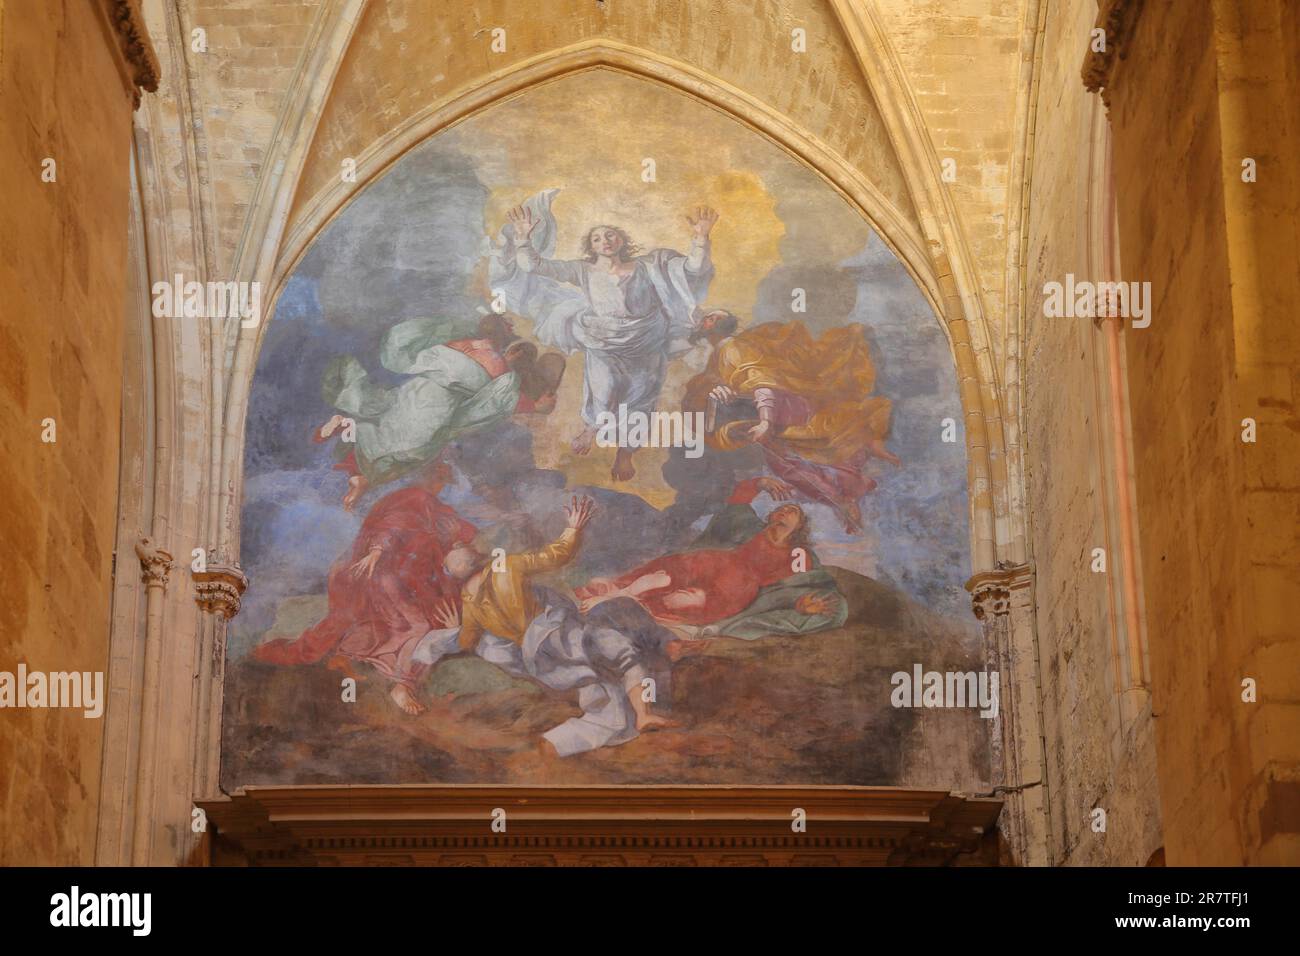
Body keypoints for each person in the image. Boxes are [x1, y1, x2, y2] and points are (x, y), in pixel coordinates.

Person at [420, 495, 678, 756]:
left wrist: (455, 627)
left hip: (537, 659)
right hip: (560, 634)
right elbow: (556, 555)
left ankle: (561, 741)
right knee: (625, 653)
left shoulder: (470, 602)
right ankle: (643, 714)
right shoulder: (505, 567)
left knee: (598, 683)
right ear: (470, 559)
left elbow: (466, 641)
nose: (464, 544)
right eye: (461, 548)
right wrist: (574, 528)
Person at [489, 188, 716, 481]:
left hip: (646, 341)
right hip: (603, 340)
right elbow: (534, 266)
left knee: (641, 398)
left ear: (621, 240)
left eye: (610, 235)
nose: (604, 241)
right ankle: (593, 428)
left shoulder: (649, 266)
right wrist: (523, 237)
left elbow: (692, 269)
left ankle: (625, 454)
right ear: (591, 246)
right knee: (604, 387)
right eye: (597, 238)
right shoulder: (583, 270)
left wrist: (701, 237)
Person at [250, 462, 477, 716]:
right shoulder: (416, 498)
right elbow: (394, 524)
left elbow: (459, 533)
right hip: (384, 575)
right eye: (442, 480)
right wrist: (377, 551)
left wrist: (462, 545)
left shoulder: (436, 512)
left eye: (445, 481)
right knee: (420, 625)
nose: (443, 486)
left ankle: (391, 674)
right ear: (432, 478)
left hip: (412, 579)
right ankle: (402, 684)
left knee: (436, 622)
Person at [313, 313, 563, 510]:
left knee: (391, 422)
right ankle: (358, 454)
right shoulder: (499, 368)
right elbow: (496, 402)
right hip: (436, 407)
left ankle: (360, 467)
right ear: (512, 350)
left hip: (418, 389)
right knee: (414, 447)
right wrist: (537, 407)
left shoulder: (461, 341)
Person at [685, 316, 900, 532]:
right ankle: (853, 476)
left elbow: (760, 382)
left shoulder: (730, 348)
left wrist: (766, 423)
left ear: (714, 326)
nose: (704, 321)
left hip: (780, 408)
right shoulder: (725, 351)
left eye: (710, 318)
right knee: (813, 448)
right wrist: (725, 394)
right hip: (779, 408)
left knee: (787, 462)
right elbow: (736, 387)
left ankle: (843, 497)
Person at [575, 478, 825, 630]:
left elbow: (801, 583)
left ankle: (623, 605)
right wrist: (760, 483)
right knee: (663, 576)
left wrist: (799, 604)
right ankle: (617, 595)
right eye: (781, 508)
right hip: (715, 562)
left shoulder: (797, 554)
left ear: (800, 526)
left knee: (682, 601)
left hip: (736, 586)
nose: (783, 511)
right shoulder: (750, 526)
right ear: (770, 515)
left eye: (792, 511)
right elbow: (738, 501)